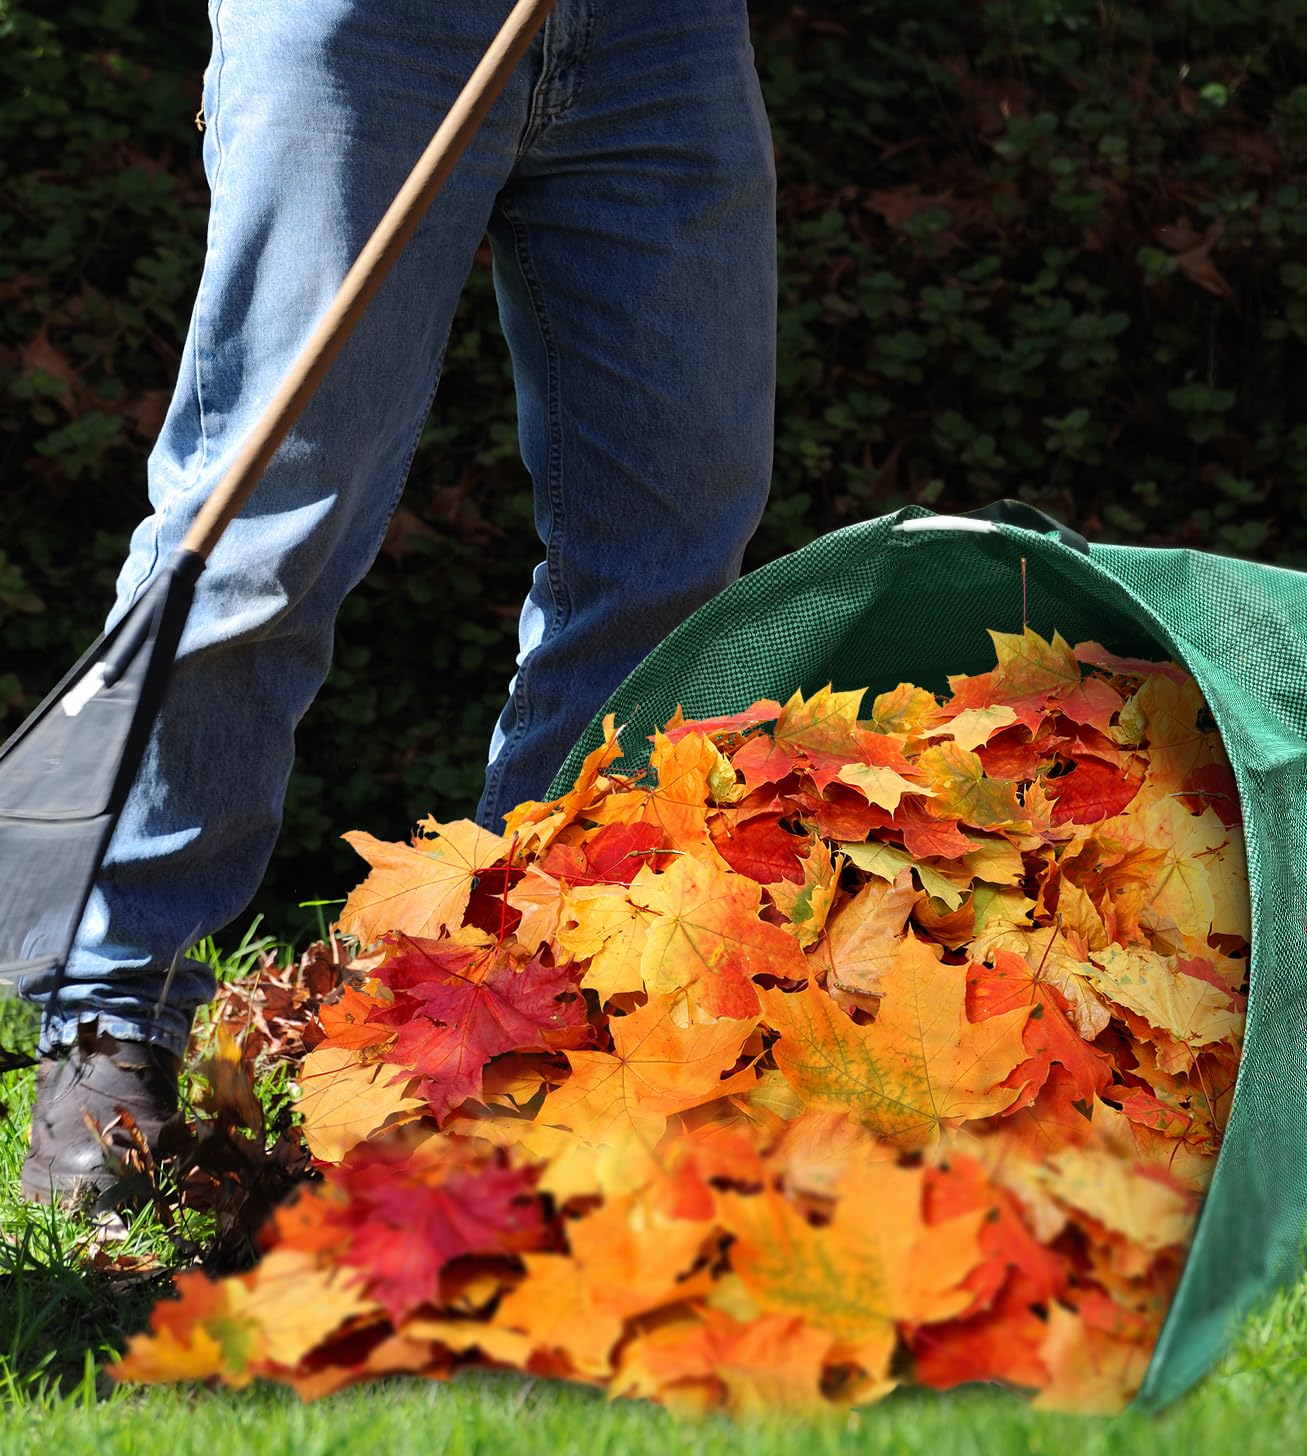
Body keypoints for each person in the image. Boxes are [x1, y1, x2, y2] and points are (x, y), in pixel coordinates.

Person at [22, 0, 777, 1205]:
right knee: (264, 523)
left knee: (672, 547)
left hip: (661, 33)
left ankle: (522, 1014)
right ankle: (110, 1016)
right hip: (364, 21)